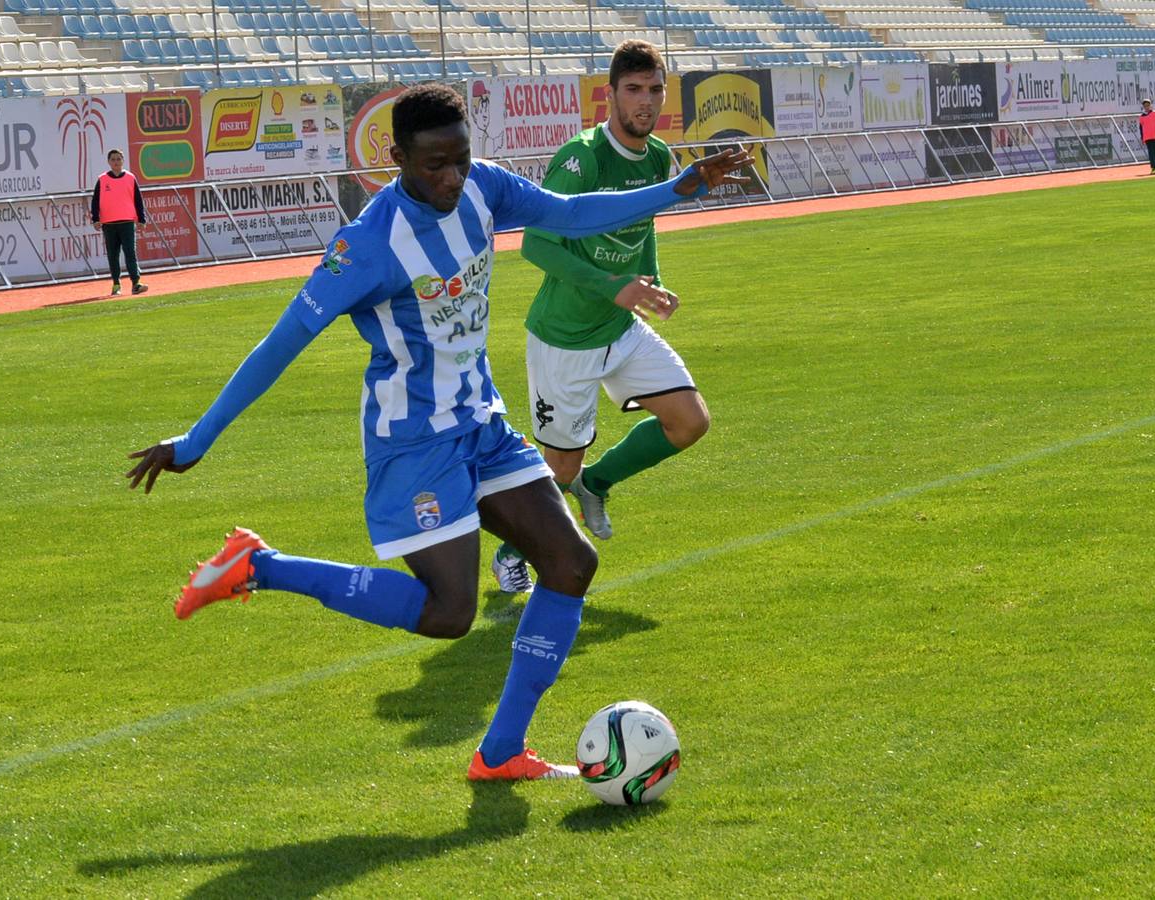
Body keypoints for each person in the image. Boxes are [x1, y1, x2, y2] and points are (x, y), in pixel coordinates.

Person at [125, 83, 750, 780]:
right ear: (394, 158)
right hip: (413, 440)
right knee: (450, 613)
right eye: (433, 165)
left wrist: (679, 188)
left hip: (481, 421)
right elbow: (282, 341)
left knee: (571, 564)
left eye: (459, 158)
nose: (451, 178)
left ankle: (500, 751)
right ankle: (258, 567)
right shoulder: (366, 246)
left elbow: (569, 214)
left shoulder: (482, 187)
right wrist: (198, 439)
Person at [491, 41, 718, 594]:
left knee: (690, 421)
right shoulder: (582, 157)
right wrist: (613, 286)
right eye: (634, 90)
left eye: (655, 89)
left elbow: (643, 229)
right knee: (559, 465)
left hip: (620, 328)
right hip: (565, 338)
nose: (645, 102)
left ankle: (598, 483)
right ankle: (510, 555)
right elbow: (537, 245)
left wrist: (651, 285)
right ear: (610, 95)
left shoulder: (661, 156)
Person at [90, 148, 149, 296]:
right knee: (113, 254)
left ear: (123, 160)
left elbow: (138, 200)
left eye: (118, 159)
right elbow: (95, 201)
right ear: (109, 162)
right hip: (109, 223)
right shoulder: (102, 179)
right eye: (113, 159)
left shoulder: (130, 178)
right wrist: (96, 219)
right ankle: (116, 284)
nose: (116, 162)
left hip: (127, 222)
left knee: (130, 253)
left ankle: (136, 283)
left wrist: (141, 219)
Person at [1139, 98, 1155, 175]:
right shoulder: (1141, 117)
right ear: (1143, 107)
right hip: (1148, 137)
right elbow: (1141, 128)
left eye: (1148, 105)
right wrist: (1142, 137)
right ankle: (1153, 167)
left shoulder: (1154, 113)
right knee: (1151, 152)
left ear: (1150, 106)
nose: (1146, 107)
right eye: (1145, 106)